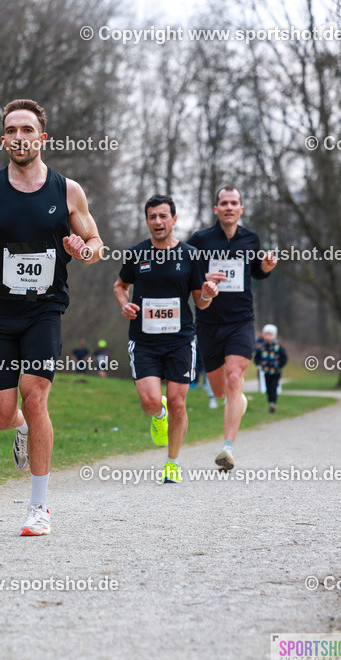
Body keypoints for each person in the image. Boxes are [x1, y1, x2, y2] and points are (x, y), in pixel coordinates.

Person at [0, 98, 103, 536]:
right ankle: (21, 431)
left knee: (35, 396)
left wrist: (83, 250)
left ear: (41, 138)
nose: (19, 137)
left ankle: (39, 507)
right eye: (11, 130)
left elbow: (95, 242)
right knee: (2, 413)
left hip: (45, 310)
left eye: (27, 130)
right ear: (3, 138)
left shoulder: (67, 191)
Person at [114, 194, 218, 483]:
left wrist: (208, 294)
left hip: (180, 340)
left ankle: (172, 463)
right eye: (152, 217)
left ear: (174, 219)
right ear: (147, 220)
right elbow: (120, 285)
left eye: (163, 216)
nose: (157, 222)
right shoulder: (136, 254)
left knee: (178, 402)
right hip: (144, 340)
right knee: (150, 402)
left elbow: (200, 302)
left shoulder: (191, 255)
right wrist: (125, 303)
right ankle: (157, 416)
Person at [187, 187, 277, 470]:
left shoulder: (251, 239)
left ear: (241, 208)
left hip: (241, 321)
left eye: (234, 203)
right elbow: (185, 269)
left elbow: (257, 272)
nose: (229, 207)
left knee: (236, 377)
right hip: (209, 323)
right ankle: (237, 401)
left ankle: (227, 448)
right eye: (223, 203)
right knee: (222, 391)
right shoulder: (200, 240)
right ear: (216, 209)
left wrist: (266, 266)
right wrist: (203, 278)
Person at [254, 324, 287, 412]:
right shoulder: (261, 347)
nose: (268, 337)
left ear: (274, 336)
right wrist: (258, 364)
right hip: (266, 371)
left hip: (276, 371)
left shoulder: (278, 346)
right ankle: (270, 402)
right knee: (268, 388)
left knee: (274, 387)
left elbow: (284, 357)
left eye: (270, 335)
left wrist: (280, 365)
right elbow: (257, 357)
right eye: (266, 335)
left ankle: (273, 403)